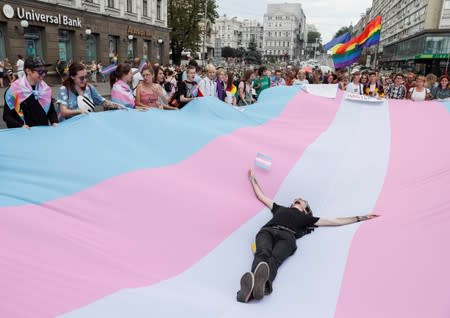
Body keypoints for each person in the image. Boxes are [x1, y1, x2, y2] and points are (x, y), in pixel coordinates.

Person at [236, 169, 379, 303]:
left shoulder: (307, 219)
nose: (299, 198)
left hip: (288, 237)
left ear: (305, 207)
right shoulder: (280, 208)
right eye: (297, 198)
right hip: (267, 231)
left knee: (273, 260)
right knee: (262, 253)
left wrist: (361, 217)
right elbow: (262, 196)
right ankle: (256, 288)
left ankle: (257, 288)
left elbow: (334, 221)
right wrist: (253, 178)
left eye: (303, 200)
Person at [3, 56, 58, 128]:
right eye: (40, 72)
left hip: (43, 132)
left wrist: (54, 122)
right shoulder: (14, 90)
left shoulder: (45, 89)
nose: (44, 74)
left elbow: (51, 111)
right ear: (28, 71)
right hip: (24, 134)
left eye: (45, 71)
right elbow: (7, 116)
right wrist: (20, 126)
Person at [57, 62, 123, 121]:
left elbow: (102, 102)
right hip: (69, 127)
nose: (85, 80)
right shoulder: (64, 90)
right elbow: (63, 112)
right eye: (81, 78)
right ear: (72, 77)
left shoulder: (90, 88)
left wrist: (118, 106)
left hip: (87, 125)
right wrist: (78, 111)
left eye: (86, 77)